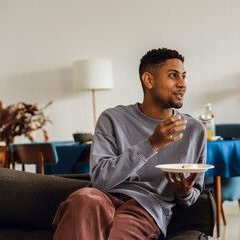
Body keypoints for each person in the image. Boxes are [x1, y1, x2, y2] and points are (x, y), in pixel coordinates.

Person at [52, 48, 207, 239]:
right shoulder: (113, 118)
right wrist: (152, 144)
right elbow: (100, 181)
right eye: (173, 76)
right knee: (83, 199)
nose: (182, 84)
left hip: (147, 207)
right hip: (101, 198)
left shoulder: (194, 130)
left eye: (184, 76)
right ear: (149, 80)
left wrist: (185, 194)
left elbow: (193, 195)